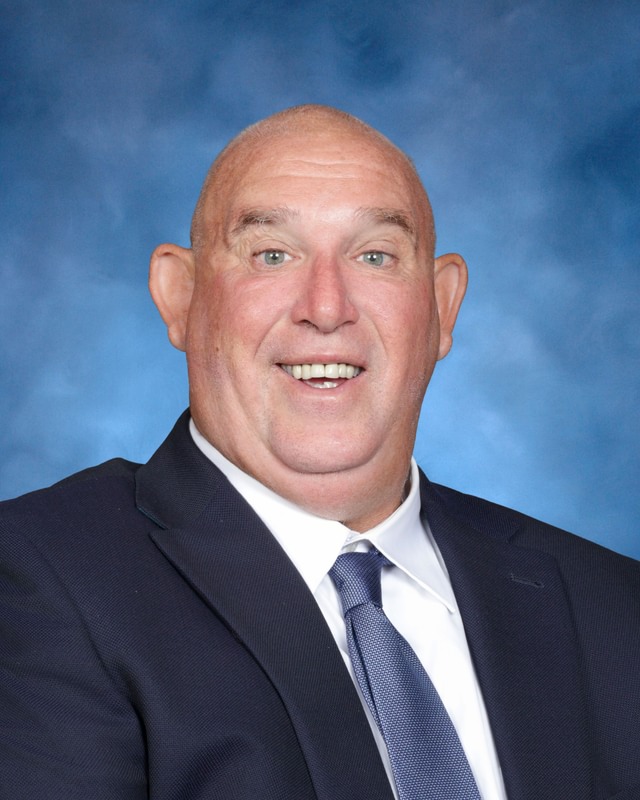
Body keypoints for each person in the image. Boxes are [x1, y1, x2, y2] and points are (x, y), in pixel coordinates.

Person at [1, 104, 638, 800]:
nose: (327, 308)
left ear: (442, 306)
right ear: (180, 297)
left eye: (375, 256)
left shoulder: (614, 606)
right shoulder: (39, 576)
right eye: (272, 255)